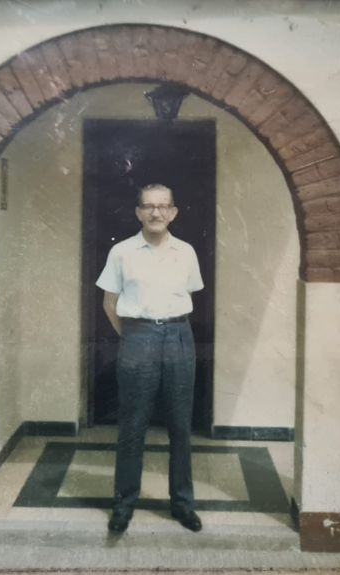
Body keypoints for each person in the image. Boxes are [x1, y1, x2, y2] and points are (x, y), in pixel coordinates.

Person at [96, 183, 204, 534]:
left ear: (173, 212)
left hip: (178, 336)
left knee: (180, 427)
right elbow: (109, 305)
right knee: (132, 427)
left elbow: (188, 296)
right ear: (138, 212)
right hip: (137, 337)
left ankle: (183, 504)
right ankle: (123, 505)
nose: (155, 213)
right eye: (148, 206)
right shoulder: (122, 253)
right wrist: (134, 336)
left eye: (163, 206)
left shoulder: (186, 252)